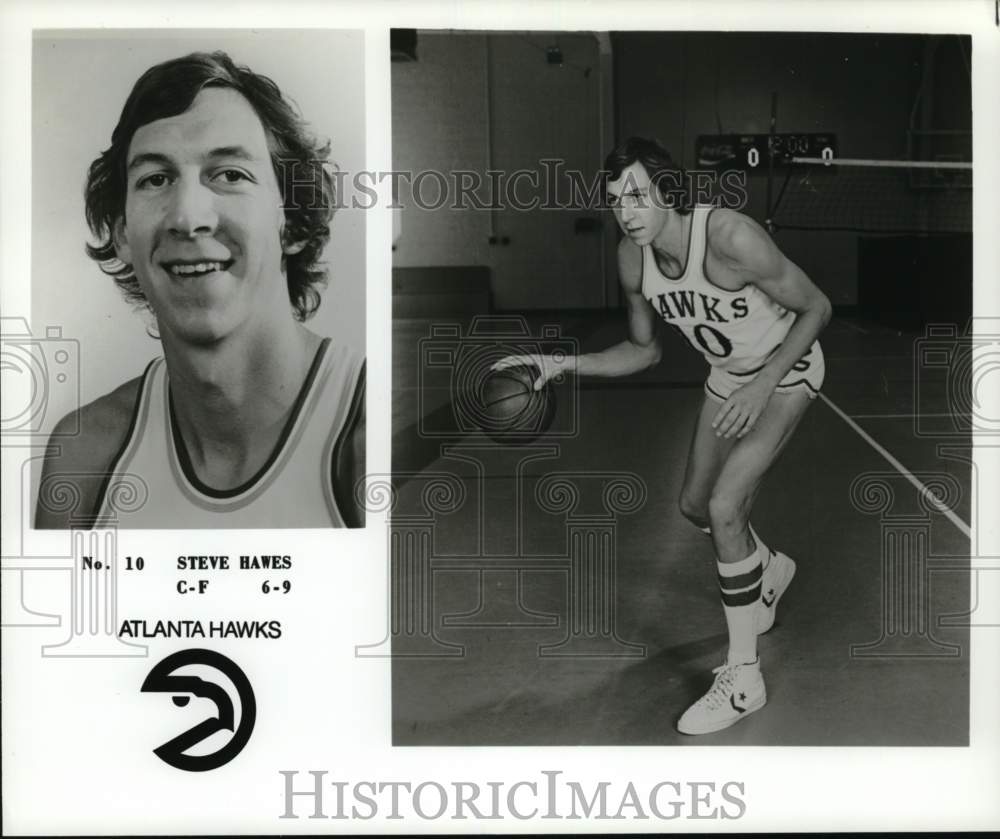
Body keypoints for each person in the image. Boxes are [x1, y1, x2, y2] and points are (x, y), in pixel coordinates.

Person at [496, 136, 831, 734]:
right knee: (694, 506)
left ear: (668, 191)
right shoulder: (633, 258)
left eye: (637, 195)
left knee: (727, 507)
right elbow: (643, 352)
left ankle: (742, 678)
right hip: (729, 376)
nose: (626, 210)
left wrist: (762, 388)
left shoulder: (731, 238)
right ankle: (769, 570)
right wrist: (558, 364)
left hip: (786, 374)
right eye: (615, 199)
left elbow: (817, 309)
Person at [36, 51, 365, 529]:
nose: (188, 218)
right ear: (123, 234)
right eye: (155, 179)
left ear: (291, 221)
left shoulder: (369, 441)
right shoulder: (85, 457)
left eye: (230, 175)